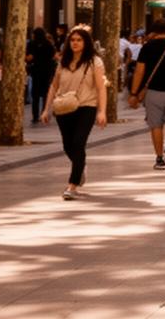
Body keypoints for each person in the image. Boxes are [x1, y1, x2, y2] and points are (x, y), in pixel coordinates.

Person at [40, 24, 107, 200]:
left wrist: (102, 111)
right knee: (68, 146)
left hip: (86, 107)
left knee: (78, 143)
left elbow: (101, 88)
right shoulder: (63, 62)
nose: (75, 43)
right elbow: (54, 86)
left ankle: (72, 186)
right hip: (63, 108)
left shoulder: (94, 61)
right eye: (73, 40)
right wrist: (46, 109)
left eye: (79, 40)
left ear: (86, 43)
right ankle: (80, 165)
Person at [128, 18, 165, 171]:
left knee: (156, 125)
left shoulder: (147, 47)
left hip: (153, 93)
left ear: (153, 31)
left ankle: (159, 159)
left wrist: (134, 93)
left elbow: (139, 72)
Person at [25, 27, 57, 124]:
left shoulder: (31, 44)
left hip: (36, 71)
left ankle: (35, 117)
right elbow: (53, 56)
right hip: (46, 71)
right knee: (45, 94)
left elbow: (28, 58)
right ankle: (44, 113)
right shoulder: (48, 44)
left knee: (35, 95)